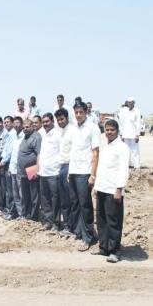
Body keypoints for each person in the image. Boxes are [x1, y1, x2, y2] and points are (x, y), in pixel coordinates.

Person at [93, 119, 130, 263]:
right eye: (107, 130)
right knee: (101, 220)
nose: (109, 132)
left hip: (113, 190)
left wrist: (119, 189)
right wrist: (97, 187)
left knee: (113, 221)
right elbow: (102, 168)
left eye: (112, 130)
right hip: (102, 187)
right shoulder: (105, 145)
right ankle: (104, 248)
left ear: (117, 131)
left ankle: (115, 251)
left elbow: (123, 170)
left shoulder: (122, 147)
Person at [68, 101, 100, 251]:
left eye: (81, 112)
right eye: (76, 113)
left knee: (85, 205)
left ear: (86, 112)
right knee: (75, 204)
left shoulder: (92, 128)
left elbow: (95, 152)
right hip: (74, 170)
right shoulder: (74, 128)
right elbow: (73, 150)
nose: (79, 115)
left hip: (84, 171)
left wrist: (92, 175)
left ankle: (88, 237)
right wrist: (69, 172)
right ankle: (80, 232)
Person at [38, 113, 61, 231]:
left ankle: (56, 223)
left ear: (52, 121)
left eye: (47, 121)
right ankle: (48, 221)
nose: (45, 124)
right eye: (43, 122)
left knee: (55, 199)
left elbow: (61, 152)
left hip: (54, 172)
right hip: (43, 172)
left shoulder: (58, 134)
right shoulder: (42, 134)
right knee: (45, 199)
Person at [0, 116, 25, 220]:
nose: (16, 125)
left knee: (21, 193)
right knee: (14, 194)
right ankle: (17, 214)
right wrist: (10, 168)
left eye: (18, 123)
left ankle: (22, 214)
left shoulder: (23, 136)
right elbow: (13, 153)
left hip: (21, 170)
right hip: (12, 168)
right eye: (15, 123)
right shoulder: (15, 136)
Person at [54, 108, 74, 237]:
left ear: (67, 118)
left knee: (69, 199)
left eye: (62, 119)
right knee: (63, 200)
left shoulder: (72, 131)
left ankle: (71, 226)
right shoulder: (59, 132)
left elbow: (74, 153)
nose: (60, 121)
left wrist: (70, 172)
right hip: (60, 167)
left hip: (69, 167)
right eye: (58, 120)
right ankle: (66, 224)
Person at [17, 119, 41, 221]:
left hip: (32, 169)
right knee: (25, 195)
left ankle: (33, 217)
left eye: (27, 127)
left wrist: (37, 169)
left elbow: (39, 154)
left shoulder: (36, 137)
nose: (25, 129)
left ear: (32, 126)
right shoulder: (25, 137)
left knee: (34, 195)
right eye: (23, 127)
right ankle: (26, 215)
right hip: (23, 171)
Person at [0, 116, 15, 213]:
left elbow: (10, 152)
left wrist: (2, 162)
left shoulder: (13, 134)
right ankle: (9, 209)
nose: (6, 124)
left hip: (10, 164)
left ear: (12, 123)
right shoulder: (8, 134)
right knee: (7, 188)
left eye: (8, 122)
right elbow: (5, 150)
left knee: (10, 190)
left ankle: (11, 210)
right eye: (5, 122)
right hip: (5, 163)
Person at [120, 97, 141, 169]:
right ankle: (128, 165)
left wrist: (137, 135)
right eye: (128, 102)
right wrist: (122, 135)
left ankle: (137, 166)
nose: (130, 104)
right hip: (126, 134)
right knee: (126, 150)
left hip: (133, 134)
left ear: (134, 103)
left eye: (131, 102)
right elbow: (122, 123)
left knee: (135, 150)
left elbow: (138, 123)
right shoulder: (125, 111)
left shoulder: (137, 111)